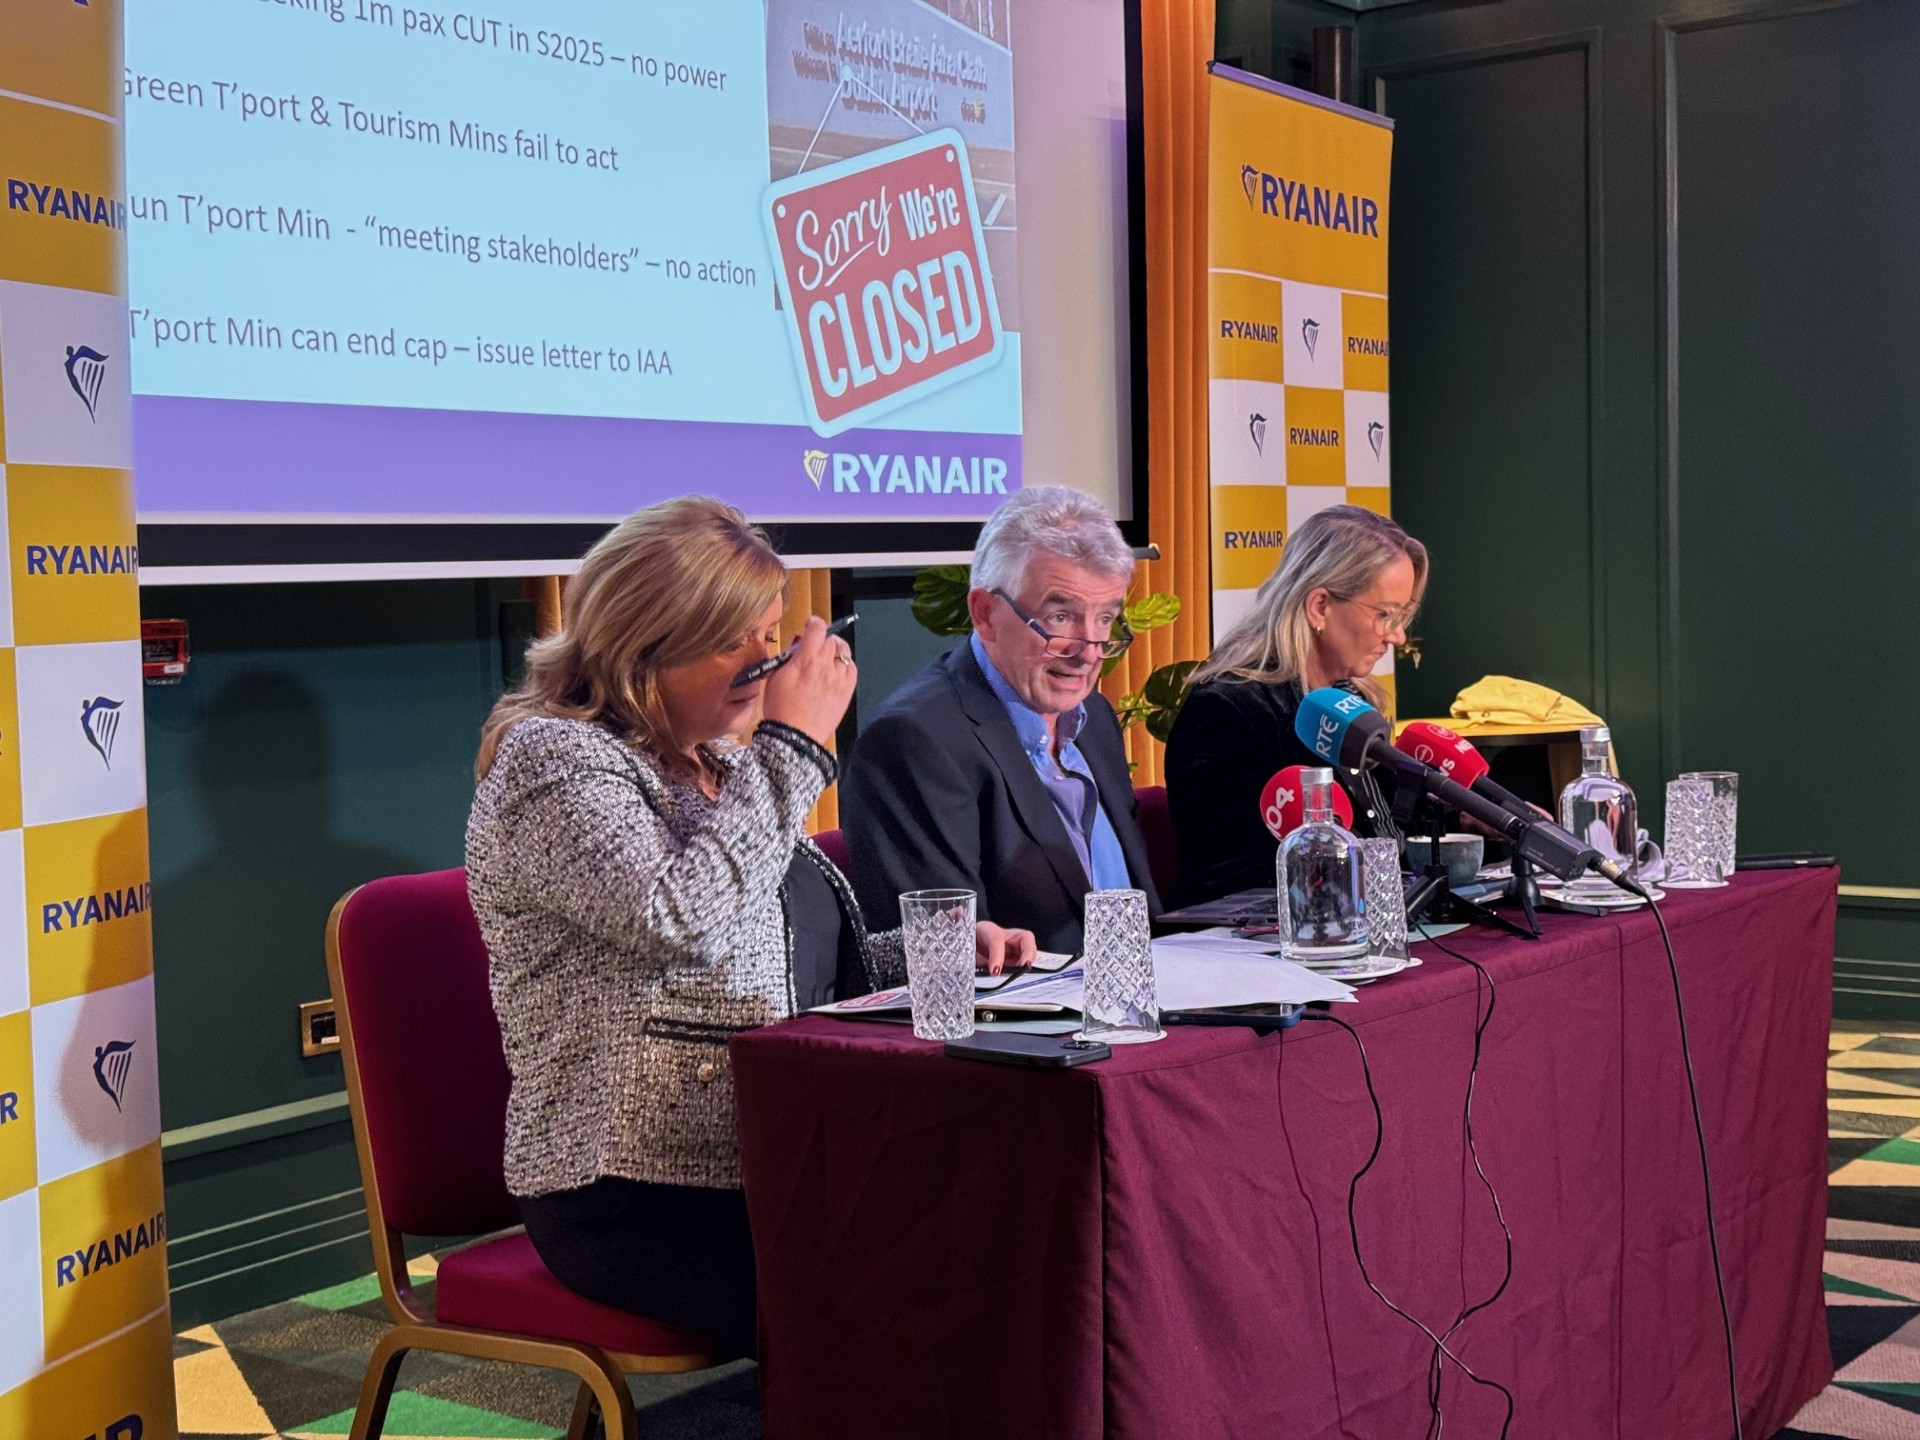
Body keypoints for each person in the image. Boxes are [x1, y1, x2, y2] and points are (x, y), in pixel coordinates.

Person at [465, 497, 1034, 1361]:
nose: (766, 664)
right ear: (646, 646)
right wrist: (796, 747)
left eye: (771, 636)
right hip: (631, 1186)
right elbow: (677, 920)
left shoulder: (722, 762)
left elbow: (788, 961)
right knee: (915, 1297)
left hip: (773, 1147)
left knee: (1005, 1235)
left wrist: (938, 953)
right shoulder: (553, 762)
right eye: (739, 641)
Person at [840, 487, 1160, 954]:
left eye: (1106, 619)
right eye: (1060, 617)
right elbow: (940, 954)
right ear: (985, 614)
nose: (1088, 651)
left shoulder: (1095, 721)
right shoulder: (915, 741)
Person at [1163, 505, 1429, 905]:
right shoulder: (1225, 710)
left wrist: (1464, 821)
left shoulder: (1351, 702)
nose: (1398, 636)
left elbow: (1388, 829)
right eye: (1386, 615)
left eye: (1403, 615)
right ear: (1319, 606)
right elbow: (1232, 881)